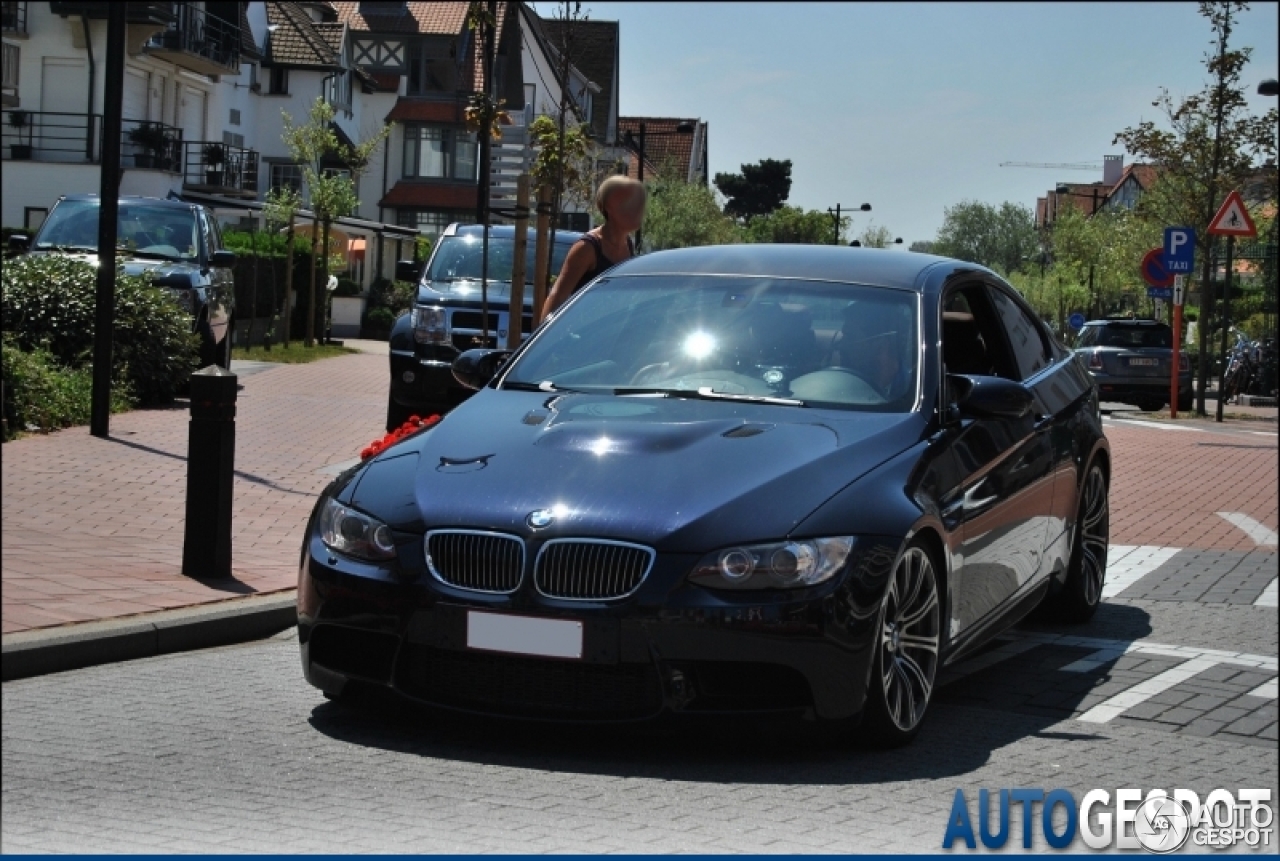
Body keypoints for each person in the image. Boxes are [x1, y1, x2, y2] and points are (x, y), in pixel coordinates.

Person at [538, 175, 645, 323]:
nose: (638, 210)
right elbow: (557, 296)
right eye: (630, 203)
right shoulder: (587, 248)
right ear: (609, 206)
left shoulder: (628, 244)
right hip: (585, 334)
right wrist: (543, 341)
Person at [828, 298, 914, 399]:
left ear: (880, 345)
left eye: (850, 338)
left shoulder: (910, 394)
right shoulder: (840, 382)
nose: (840, 346)